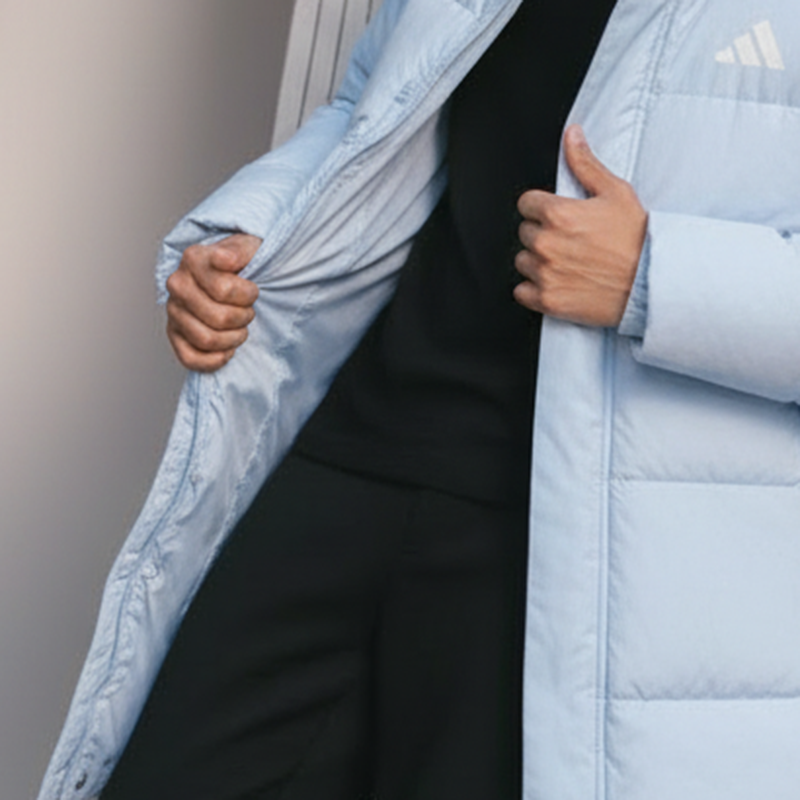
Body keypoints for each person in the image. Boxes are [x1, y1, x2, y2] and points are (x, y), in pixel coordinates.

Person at [38, 1, 800, 799]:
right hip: (371, 435)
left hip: (569, 529)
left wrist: (653, 275)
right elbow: (374, 104)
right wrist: (246, 245)